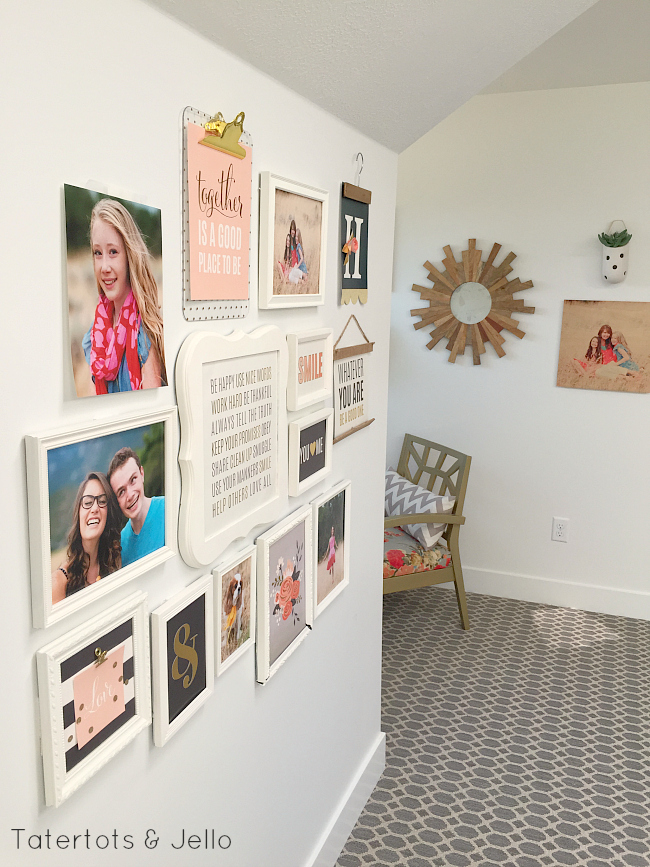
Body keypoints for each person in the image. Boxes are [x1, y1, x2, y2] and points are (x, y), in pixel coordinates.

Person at [83, 198, 167, 394]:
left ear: (130, 256)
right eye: (97, 252)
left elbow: (153, 422)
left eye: (113, 252)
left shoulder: (145, 338)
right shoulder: (94, 337)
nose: (104, 267)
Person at [51, 473, 122, 604]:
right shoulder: (59, 582)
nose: (95, 508)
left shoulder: (114, 564)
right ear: (78, 514)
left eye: (102, 502)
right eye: (88, 502)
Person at [108, 447, 164, 567]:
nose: (130, 495)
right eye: (121, 492)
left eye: (133, 480)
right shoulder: (121, 545)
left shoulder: (169, 509)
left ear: (142, 474)